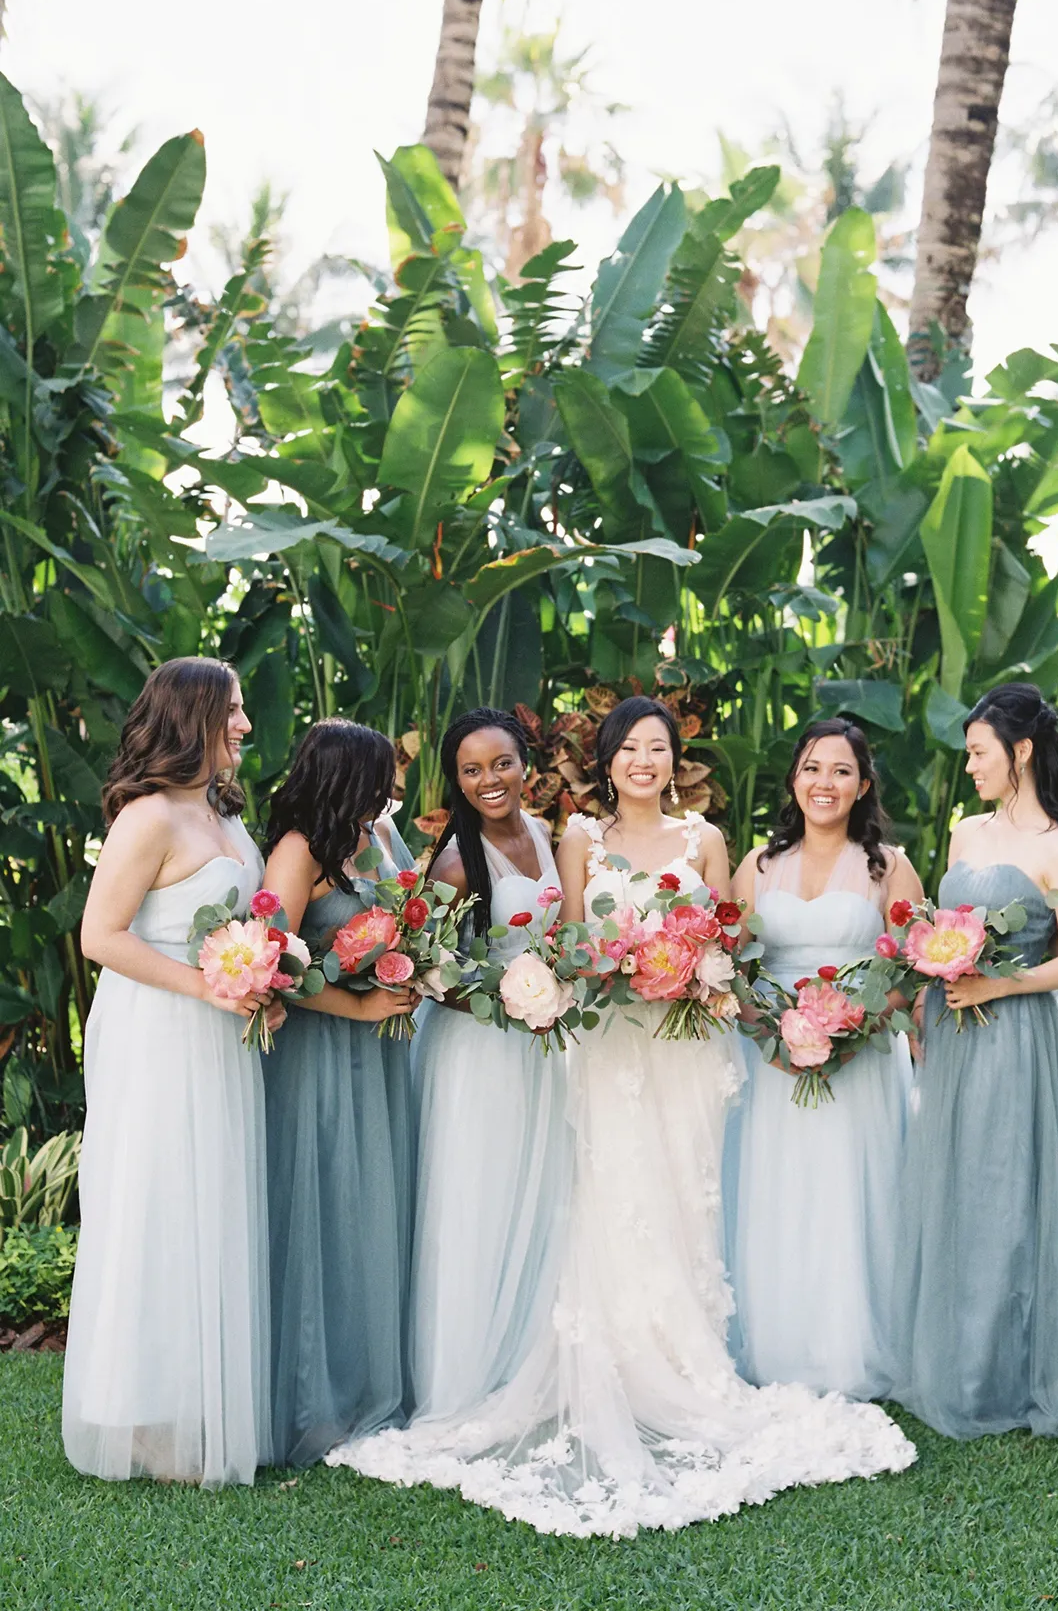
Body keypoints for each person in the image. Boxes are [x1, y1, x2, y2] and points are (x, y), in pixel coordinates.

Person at [329, 696, 916, 1537]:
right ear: (603, 762)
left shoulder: (705, 840)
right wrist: (613, 964)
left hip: (682, 1048)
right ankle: (614, 1363)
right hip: (607, 1044)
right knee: (611, 1195)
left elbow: (727, 941)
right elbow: (570, 939)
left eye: (657, 748)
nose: (643, 760)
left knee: (683, 1193)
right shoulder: (580, 839)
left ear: (676, 762)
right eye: (628, 748)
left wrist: (698, 972)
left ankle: (687, 1358)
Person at [64, 658, 282, 1485]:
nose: (244, 725)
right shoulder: (148, 817)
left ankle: (197, 1402)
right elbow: (101, 936)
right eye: (231, 710)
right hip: (158, 1030)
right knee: (154, 1202)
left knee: (208, 1201)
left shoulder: (223, 814)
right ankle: (138, 1415)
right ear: (191, 717)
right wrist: (210, 987)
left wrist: (264, 980)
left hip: (218, 1033)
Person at [889, 683, 1058, 1440]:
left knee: (1005, 1193)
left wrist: (999, 981)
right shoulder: (965, 833)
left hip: (1013, 1035)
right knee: (952, 1185)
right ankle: (950, 1361)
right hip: (950, 1032)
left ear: (1018, 752)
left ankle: (999, 1374)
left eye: (978, 752)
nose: (969, 764)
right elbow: (944, 926)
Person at [726, 718, 923, 1398]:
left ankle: (852, 1348)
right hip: (771, 1060)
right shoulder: (755, 866)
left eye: (841, 771)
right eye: (812, 768)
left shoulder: (888, 866)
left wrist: (855, 1023)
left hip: (859, 1057)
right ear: (793, 779)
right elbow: (730, 966)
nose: (824, 783)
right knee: (777, 1194)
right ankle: (778, 1347)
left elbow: (912, 966)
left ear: (863, 784)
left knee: (851, 1193)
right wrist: (769, 1036)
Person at [401, 707, 571, 1420]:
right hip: (475, 1051)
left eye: (500, 763)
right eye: (470, 770)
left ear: (525, 763)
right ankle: (461, 1378)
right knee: (475, 1200)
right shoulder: (452, 861)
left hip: (540, 1049)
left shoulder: (542, 833)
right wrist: (512, 1003)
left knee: (534, 1196)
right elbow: (425, 968)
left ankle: (524, 1356)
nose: (488, 780)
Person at [259, 718, 420, 1466]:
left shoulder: (370, 842)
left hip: (374, 1055)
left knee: (365, 1207)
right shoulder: (297, 853)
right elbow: (271, 965)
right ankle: (311, 1398)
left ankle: (365, 1381)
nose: (392, 790)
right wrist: (355, 1003)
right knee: (321, 1206)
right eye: (380, 776)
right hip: (318, 1052)